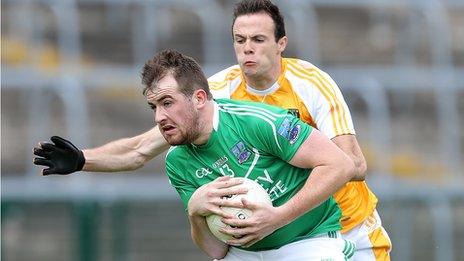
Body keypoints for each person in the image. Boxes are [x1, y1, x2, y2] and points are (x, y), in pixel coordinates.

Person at [33, 0, 391, 260]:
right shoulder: (215, 91)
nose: (247, 49)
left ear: (281, 43)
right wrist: (83, 159)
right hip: (263, 231)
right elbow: (142, 148)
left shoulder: (310, 83)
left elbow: (352, 165)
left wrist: (280, 171)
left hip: (345, 224)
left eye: (258, 39)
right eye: (239, 40)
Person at [150, 49, 358, 260]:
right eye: (153, 107)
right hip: (242, 253)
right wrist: (195, 212)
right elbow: (216, 251)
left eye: (167, 103)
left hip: (308, 241)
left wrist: (277, 218)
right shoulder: (176, 161)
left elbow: (341, 165)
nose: (159, 117)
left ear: (199, 98)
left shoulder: (258, 122)